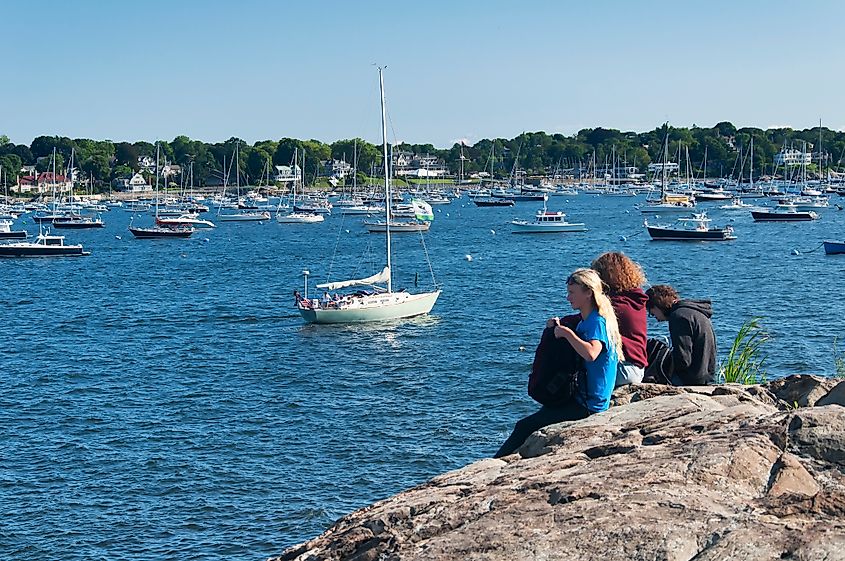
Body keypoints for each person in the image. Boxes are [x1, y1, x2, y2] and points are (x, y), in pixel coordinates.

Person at [495, 269, 624, 458]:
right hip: (583, 398)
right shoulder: (590, 320)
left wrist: (567, 334)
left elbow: (591, 353)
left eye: (572, 292)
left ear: (588, 293)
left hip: (589, 405)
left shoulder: (596, 322)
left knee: (524, 426)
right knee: (538, 416)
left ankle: (496, 463)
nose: (567, 297)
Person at [591, 252, 649, 387]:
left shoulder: (613, 305)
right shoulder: (635, 300)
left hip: (622, 369)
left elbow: (588, 320)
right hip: (636, 368)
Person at [645, 285, 716, 385]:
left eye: (651, 313)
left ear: (657, 305)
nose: (654, 317)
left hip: (691, 379)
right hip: (706, 374)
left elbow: (683, 360)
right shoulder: (693, 311)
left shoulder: (678, 317)